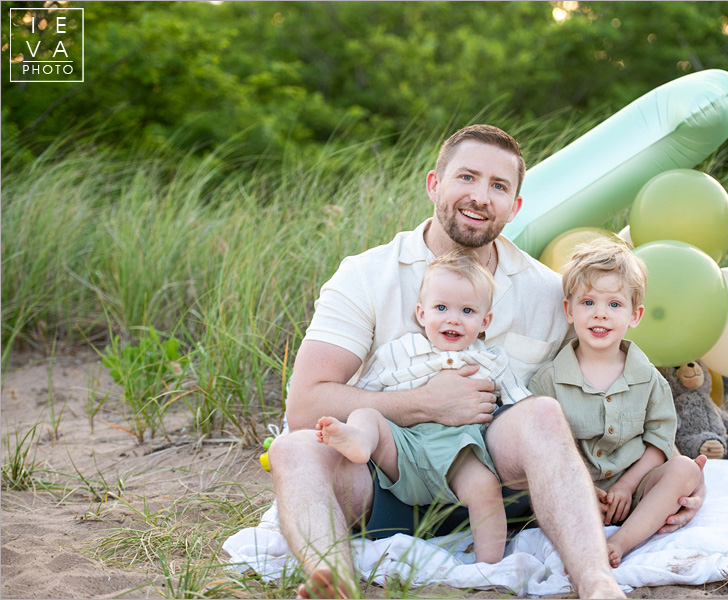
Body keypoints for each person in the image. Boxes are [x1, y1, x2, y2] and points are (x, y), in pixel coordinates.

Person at [268, 124, 705, 599]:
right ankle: (335, 580)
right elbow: (305, 404)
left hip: (502, 489)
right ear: (434, 184)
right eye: (467, 178)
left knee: (540, 412)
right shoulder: (367, 275)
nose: (480, 197)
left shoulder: (546, 292)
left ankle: (596, 581)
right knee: (294, 449)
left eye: (498, 186)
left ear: (515, 207)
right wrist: (424, 403)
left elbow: (614, 385)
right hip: (386, 481)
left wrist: (673, 477)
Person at [315, 249, 532, 564]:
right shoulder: (399, 352)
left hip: (459, 449)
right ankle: (359, 441)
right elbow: (363, 391)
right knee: (366, 414)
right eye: (441, 307)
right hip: (403, 444)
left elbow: (522, 403)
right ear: (421, 313)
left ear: (485, 321)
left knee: (485, 488)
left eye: (467, 310)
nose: (453, 318)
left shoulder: (490, 360)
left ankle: (488, 565)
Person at [529, 238, 704, 567]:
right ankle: (586, 537)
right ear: (569, 310)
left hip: (635, 487)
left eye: (614, 305)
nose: (600, 314)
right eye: (588, 302)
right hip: (574, 490)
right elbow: (543, 449)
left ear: (635, 315)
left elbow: (659, 439)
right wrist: (581, 487)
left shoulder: (649, 379)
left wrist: (627, 484)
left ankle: (623, 541)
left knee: (684, 468)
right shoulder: (548, 380)